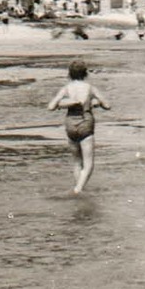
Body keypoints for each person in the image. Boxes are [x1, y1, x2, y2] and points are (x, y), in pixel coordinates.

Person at [47, 59, 111, 193]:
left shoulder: (66, 88)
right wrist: (95, 102)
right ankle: (78, 189)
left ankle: (80, 189)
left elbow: (51, 107)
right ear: (85, 73)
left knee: (77, 162)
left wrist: (67, 103)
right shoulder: (90, 88)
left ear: (69, 74)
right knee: (88, 164)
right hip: (85, 123)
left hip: (70, 124)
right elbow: (107, 105)